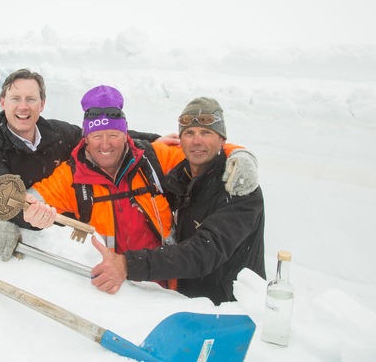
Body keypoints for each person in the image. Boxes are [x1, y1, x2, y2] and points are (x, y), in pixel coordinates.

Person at [0, 85, 258, 292]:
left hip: (170, 284)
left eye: (114, 135)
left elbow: (201, 151)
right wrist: (9, 220)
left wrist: (240, 155)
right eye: (97, 136)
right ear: (86, 138)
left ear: (125, 134)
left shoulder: (153, 157)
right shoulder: (70, 176)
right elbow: (28, 201)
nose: (106, 145)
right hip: (115, 290)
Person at [0, 70, 178, 258]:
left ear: (42, 104)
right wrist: (10, 220)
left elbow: (99, 135)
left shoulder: (57, 133)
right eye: (15, 98)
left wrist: (152, 140)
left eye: (31, 99)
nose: (23, 106)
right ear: (2, 102)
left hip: (73, 225)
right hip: (45, 228)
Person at [90, 96, 265, 305]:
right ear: (179, 140)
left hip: (233, 308)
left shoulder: (239, 187)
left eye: (206, 133)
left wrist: (128, 264)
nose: (196, 140)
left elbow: (204, 252)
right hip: (187, 302)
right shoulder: (179, 178)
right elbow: (123, 143)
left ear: (222, 140)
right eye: (189, 133)